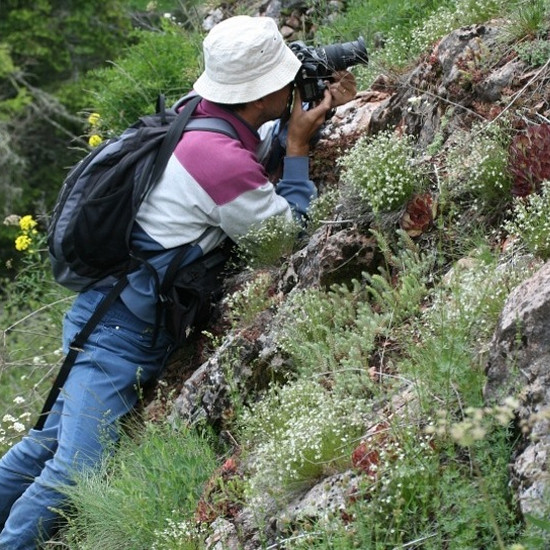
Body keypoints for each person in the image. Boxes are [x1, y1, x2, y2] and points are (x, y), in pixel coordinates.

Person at [0, 14, 357, 548]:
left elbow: (252, 145)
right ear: (264, 92)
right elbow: (281, 241)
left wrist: (295, 124)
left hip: (105, 314)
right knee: (74, 470)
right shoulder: (217, 160)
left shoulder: (200, 116)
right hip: (120, 338)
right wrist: (300, 150)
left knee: (44, 445)